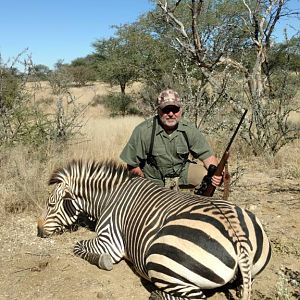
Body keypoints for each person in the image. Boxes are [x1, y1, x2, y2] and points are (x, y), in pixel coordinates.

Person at [120, 89, 223, 190]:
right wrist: (144, 186)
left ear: (181, 111)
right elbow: (132, 165)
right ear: (158, 110)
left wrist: (216, 175)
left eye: (175, 110)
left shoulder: (189, 130)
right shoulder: (143, 131)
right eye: (166, 110)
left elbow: (208, 156)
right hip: (154, 180)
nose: (170, 114)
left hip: (181, 174)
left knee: (207, 176)